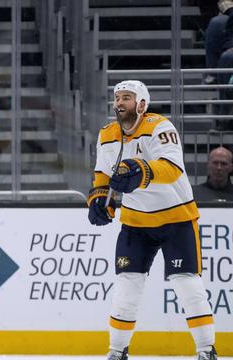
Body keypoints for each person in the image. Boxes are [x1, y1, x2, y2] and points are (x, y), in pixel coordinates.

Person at [87, 80, 217, 360]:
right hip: (135, 222)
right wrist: (99, 200)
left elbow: (172, 168)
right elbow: (102, 173)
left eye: (127, 98)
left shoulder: (160, 126)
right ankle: (117, 350)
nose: (120, 103)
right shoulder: (107, 134)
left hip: (176, 218)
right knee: (126, 285)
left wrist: (141, 170)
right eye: (117, 97)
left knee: (186, 284)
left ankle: (206, 349)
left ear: (142, 104)